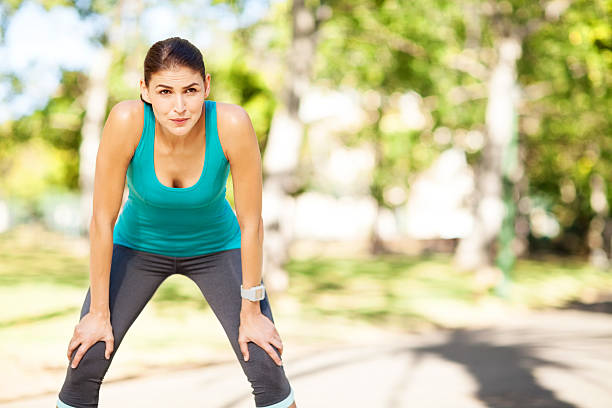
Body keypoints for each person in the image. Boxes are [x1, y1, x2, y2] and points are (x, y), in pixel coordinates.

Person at [56, 37, 297, 408]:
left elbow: (252, 224)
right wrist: (97, 313)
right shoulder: (127, 121)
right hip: (137, 248)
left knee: (265, 361)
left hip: (218, 248)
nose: (179, 106)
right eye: (165, 91)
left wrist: (251, 311)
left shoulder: (231, 123)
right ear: (145, 90)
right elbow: (102, 221)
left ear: (207, 87)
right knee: (86, 358)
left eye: (190, 90)